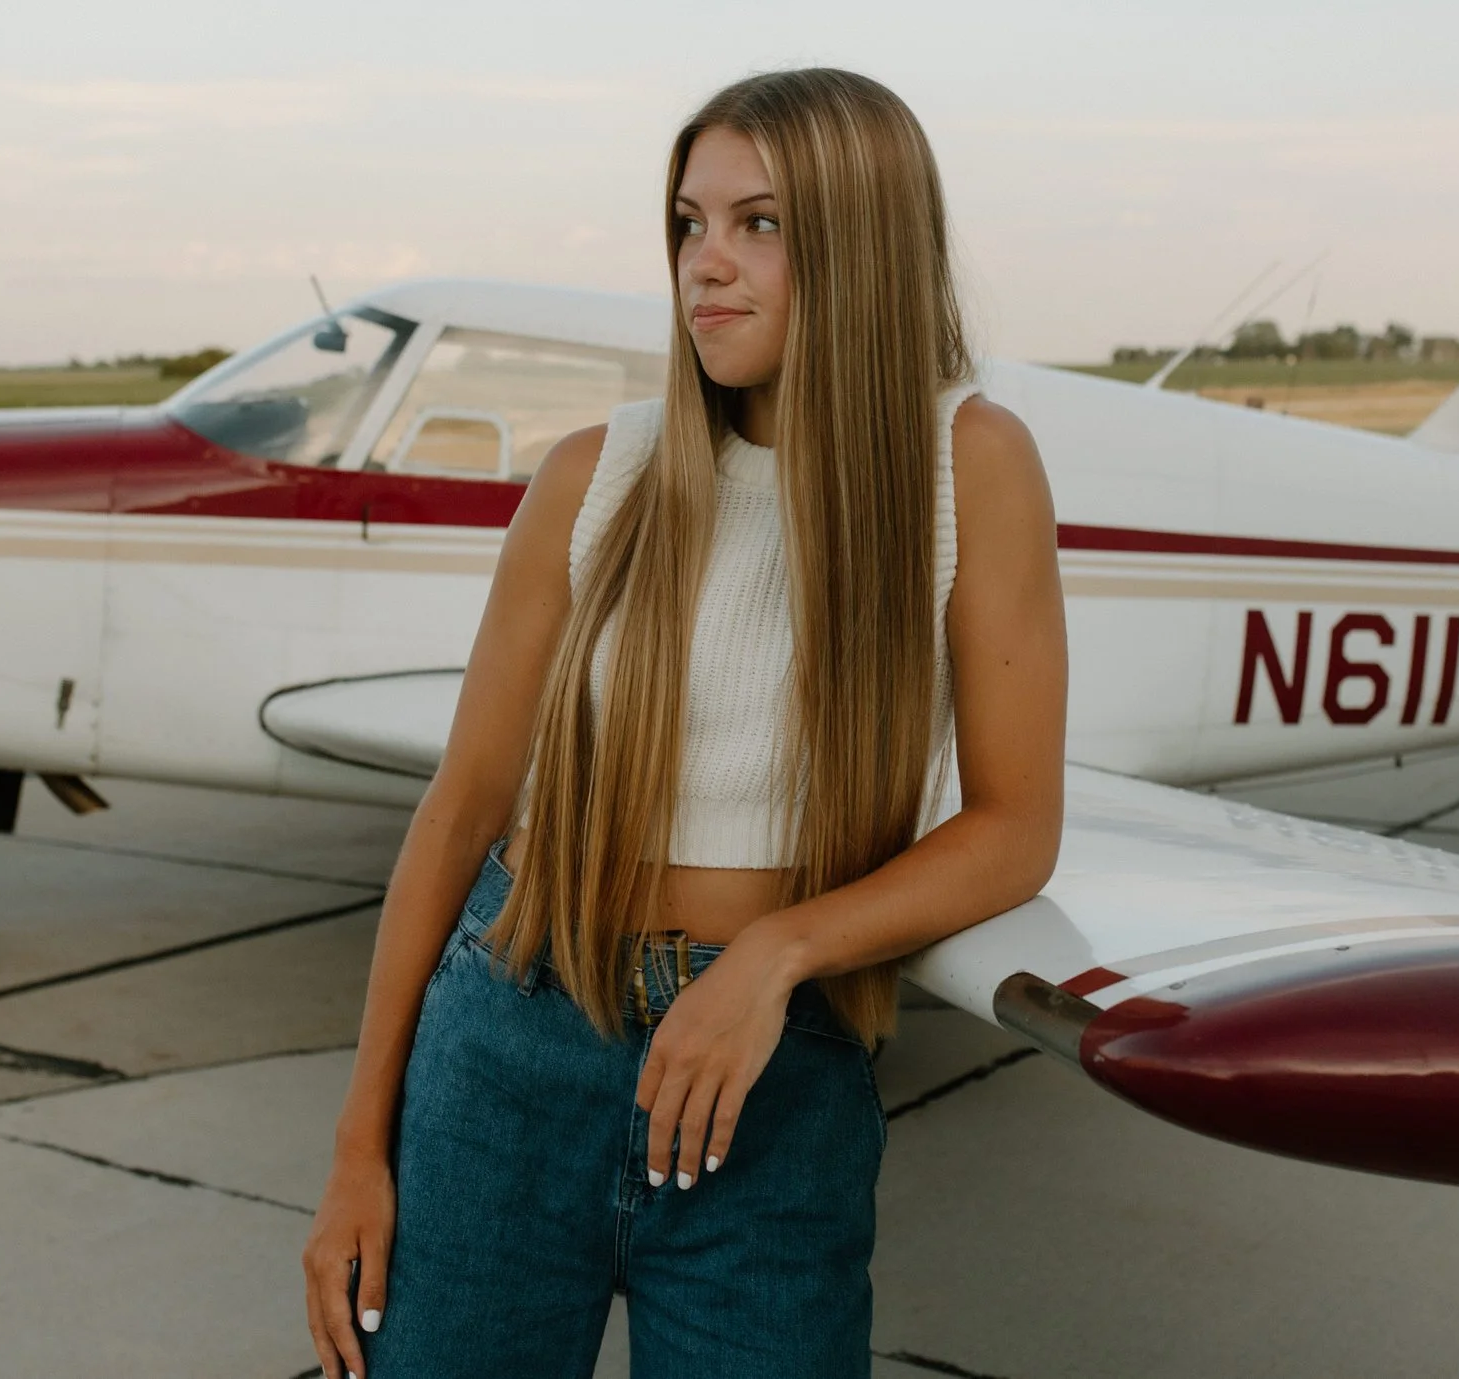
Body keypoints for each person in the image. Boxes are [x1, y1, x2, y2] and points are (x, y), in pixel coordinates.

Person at [303, 67, 1067, 1379]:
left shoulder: (972, 463)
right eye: (687, 222)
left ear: (864, 239)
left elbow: (1014, 826)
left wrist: (778, 952)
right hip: (506, 1050)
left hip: (771, 1085)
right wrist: (356, 1150)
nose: (704, 265)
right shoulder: (596, 477)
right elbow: (461, 810)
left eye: (758, 223)